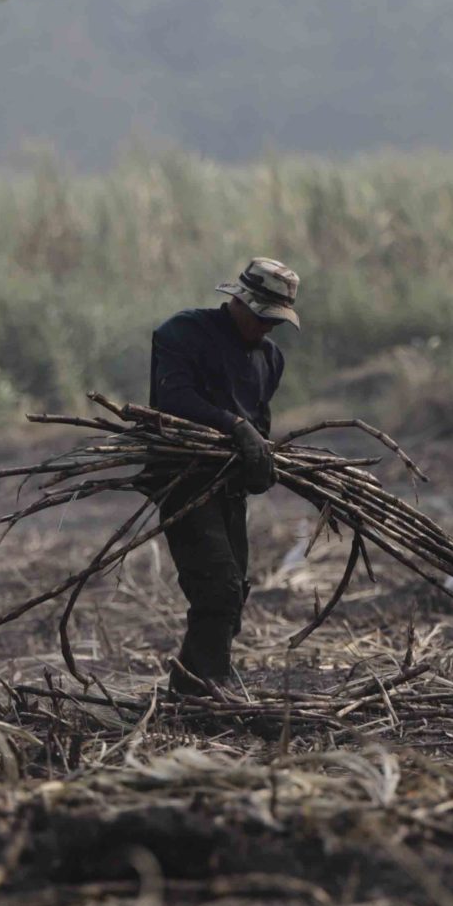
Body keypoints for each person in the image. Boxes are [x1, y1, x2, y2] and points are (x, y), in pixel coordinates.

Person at [148, 258, 300, 696]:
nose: (267, 329)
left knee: (232, 594)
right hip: (184, 477)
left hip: (229, 485)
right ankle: (211, 684)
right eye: (261, 318)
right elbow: (173, 400)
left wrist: (261, 461)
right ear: (239, 301)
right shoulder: (182, 333)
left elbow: (261, 424)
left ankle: (190, 686)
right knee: (217, 585)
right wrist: (234, 426)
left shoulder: (270, 358)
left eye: (275, 321)